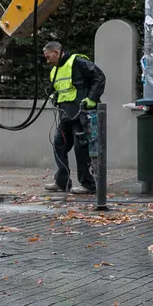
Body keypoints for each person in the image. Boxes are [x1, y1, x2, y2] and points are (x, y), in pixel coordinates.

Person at [42, 41, 106, 194]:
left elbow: (99, 77)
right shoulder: (54, 71)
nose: (47, 60)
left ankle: (88, 184)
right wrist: (54, 95)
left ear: (57, 53)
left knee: (80, 148)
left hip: (81, 114)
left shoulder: (77, 62)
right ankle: (62, 181)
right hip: (66, 115)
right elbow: (61, 90)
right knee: (59, 145)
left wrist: (92, 98)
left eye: (48, 57)